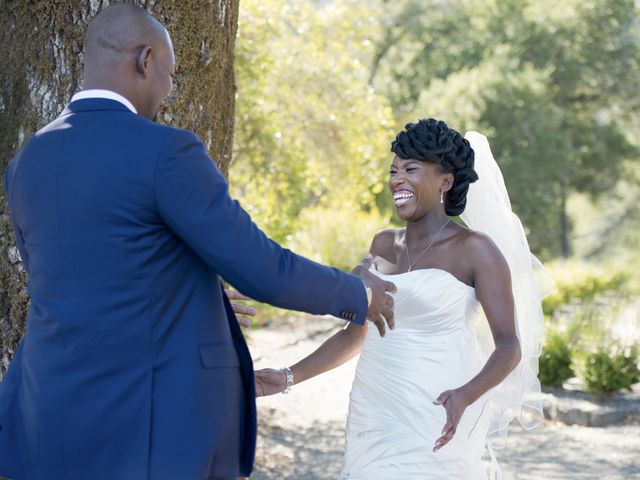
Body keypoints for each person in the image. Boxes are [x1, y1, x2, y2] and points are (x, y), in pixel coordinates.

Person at [0, 4, 397, 480]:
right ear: (145, 60)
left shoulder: (27, 160)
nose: (167, 91)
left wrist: (188, 288)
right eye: (168, 74)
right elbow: (260, 267)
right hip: (149, 421)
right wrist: (359, 294)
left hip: (46, 411)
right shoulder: (166, 151)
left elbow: (72, 272)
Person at [256, 118, 547, 479]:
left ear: (445, 181)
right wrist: (286, 377)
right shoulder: (382, 245)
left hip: (437, 408)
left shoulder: (475, 250)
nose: (397, 179)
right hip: (373, 406)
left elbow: (508, 346)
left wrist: (465, 396)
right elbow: (355, 334)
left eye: (411, 169)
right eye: (394, 170)